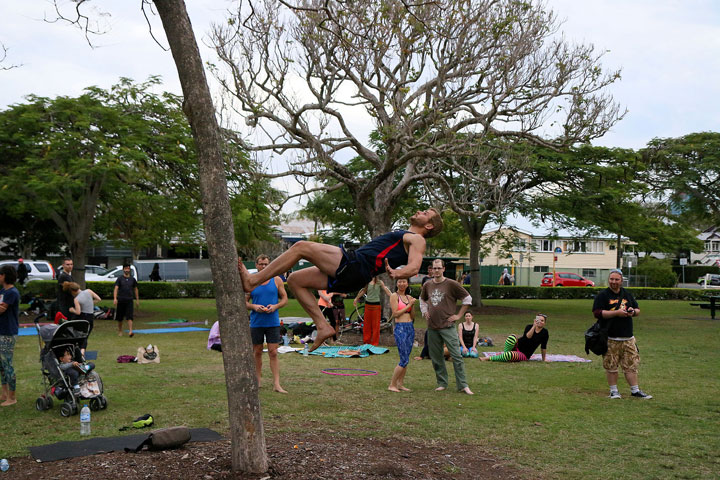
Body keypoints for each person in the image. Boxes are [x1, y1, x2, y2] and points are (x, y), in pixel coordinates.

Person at [238, 209, 444, 351]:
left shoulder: (416, 238)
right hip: (353, 275)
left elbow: (415, 266)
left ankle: (253, 281)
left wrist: (399, 273)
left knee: (300, 247)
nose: (420, 212)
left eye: (425, 213)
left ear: (428, 225)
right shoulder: (409, 236)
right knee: (295, 281)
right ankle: (322, 326)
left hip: (356, 265)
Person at [593, 269, 652, 399]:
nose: (613, 282)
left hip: (628, 338)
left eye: (616, 279)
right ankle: (614, 391)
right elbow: (597, 313)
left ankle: (635, 390)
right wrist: (616, 313)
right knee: (611, 366)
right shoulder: (603, 295)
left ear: (621, 281)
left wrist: (632, 312)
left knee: (631, 365)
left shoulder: (627, 294)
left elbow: (637, 309)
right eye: (611, 279)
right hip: (611, 337)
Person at [419, 259, 474, 395]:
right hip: (432, 327)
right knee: (436, 357)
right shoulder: (427, 285)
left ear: (443, 269)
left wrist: (459, 315)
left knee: (456, 356)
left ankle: (463, 385)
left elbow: (468, 299)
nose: (436, 270)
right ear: (431, 269)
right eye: (434, 268)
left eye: (439, 268)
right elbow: (422, 299)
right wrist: (424, 311)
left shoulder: (451, 284)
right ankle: (442, 383)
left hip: (448, 326)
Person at [246, 254, 289, 393]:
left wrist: (276, 306)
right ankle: (257, 381)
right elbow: (244, 301)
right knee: (257, 351)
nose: (264, 267)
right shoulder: (251, 281)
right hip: (256, 322)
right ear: (256, 265)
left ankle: (276, 384)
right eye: (261, 264)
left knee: (273, 352)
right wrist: (254, 307)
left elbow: (284, 299)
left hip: (273, 322)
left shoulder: (276, 280)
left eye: (266, 264)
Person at [480, 314, 549, 362]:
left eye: (542, 321)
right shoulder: (529, 326)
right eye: (539, 320)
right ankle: (504, 355)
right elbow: (528, 337)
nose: (540, 322)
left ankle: (489, 358)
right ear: (535, 320)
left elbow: (543, 347)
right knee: (512, 337)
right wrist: (534, 326)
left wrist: (544, 359)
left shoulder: (545, 333)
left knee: (509, 355)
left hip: (524, 354)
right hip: (517, 346)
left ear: (545, 323)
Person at [388, 278, 416, 392]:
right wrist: (409, 305)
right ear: (397, 283)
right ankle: (392, 384)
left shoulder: (409, 297)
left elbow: (413, 316)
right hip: (400, 328)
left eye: (404, 281)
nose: (402, 283)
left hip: (410, 327)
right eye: (399, 281)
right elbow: (395, 314)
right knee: (403, 359)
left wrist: (412, 305)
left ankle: (400, 383)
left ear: (407, 283)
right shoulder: (394, 296)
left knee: (406, 358)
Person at [0, 265, 20, 406]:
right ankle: (4, 393)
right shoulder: (3, 291)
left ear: (4, 276)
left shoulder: (12, 292)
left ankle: (12, 397)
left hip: (8, 332)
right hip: (1, 330)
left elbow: (2, 309)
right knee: (1, 365)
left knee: (7, 364)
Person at [65, 282, 101, 354]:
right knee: (86, 335)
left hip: (83, 317)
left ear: (72, 291)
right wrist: (90, 303)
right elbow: (99, 299)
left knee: (81, 335)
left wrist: (72, 310)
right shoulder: (89, 291)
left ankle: (80, 352)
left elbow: (78, 312)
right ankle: (82, 351)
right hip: (90, 317)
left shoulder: (77, 299)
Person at [354, 277, 391, 346]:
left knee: (376, 325)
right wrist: (356, 298)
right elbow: (363, 291)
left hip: (376, 306)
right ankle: (366, 342)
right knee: (367, 325)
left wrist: (393, 297)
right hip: (368, 305)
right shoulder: (368, 281)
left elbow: (386, 290)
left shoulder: (380, 282)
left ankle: (374, 343)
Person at [113, 264, 139, 337]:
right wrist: (115, 298)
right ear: (123, 269)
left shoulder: (132, 279)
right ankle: (120, 331)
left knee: (129, 316)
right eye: (126, 268)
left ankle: (130, 331)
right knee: (120, 317)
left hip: (129, 300)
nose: (127, 270)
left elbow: (136, 289)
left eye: (128, 268)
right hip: (121, 299)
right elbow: (116, 289)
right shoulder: (120, 279)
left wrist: (137, 300)